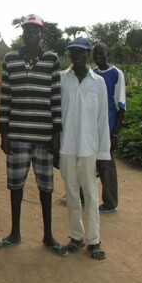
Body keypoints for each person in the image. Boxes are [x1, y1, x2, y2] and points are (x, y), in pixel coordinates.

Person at [0, 13, 66, 255]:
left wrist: (56, 133)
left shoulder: (52, 60)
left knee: (46, 187)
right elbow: (6, 97)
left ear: (41, 34)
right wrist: (3, 131)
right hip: (17, 133)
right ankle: (15, 232)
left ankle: (48, 235)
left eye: (35, 30)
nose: (31, 34)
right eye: (27, 30)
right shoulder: (10, 59)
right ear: (23, 33)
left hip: (44, 136)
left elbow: (55, 97)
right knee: (16, 185)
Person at [59, 37, 110, 260]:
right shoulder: (61, 79)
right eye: (73, 52)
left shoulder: (97, 82)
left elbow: (102, 120)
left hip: (89, 146)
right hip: (67, 144)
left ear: (88, 54)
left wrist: (103, 154)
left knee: (90, 193)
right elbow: (56, 114)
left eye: (81, 52)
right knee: (71, 192)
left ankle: (94, 240)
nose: (76, 56)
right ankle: (76, 236)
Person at [92, 42, 126, 213]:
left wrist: (115, 134)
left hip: (108, 128)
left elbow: (121, 106)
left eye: (101, 53)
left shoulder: (116, 74)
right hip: (92, 128)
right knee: (89, 163)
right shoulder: (92, 74)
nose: (97, 56)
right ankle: (86, 197)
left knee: (106, 166)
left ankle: (110, 202)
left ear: (108, 53)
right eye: (94, 53)